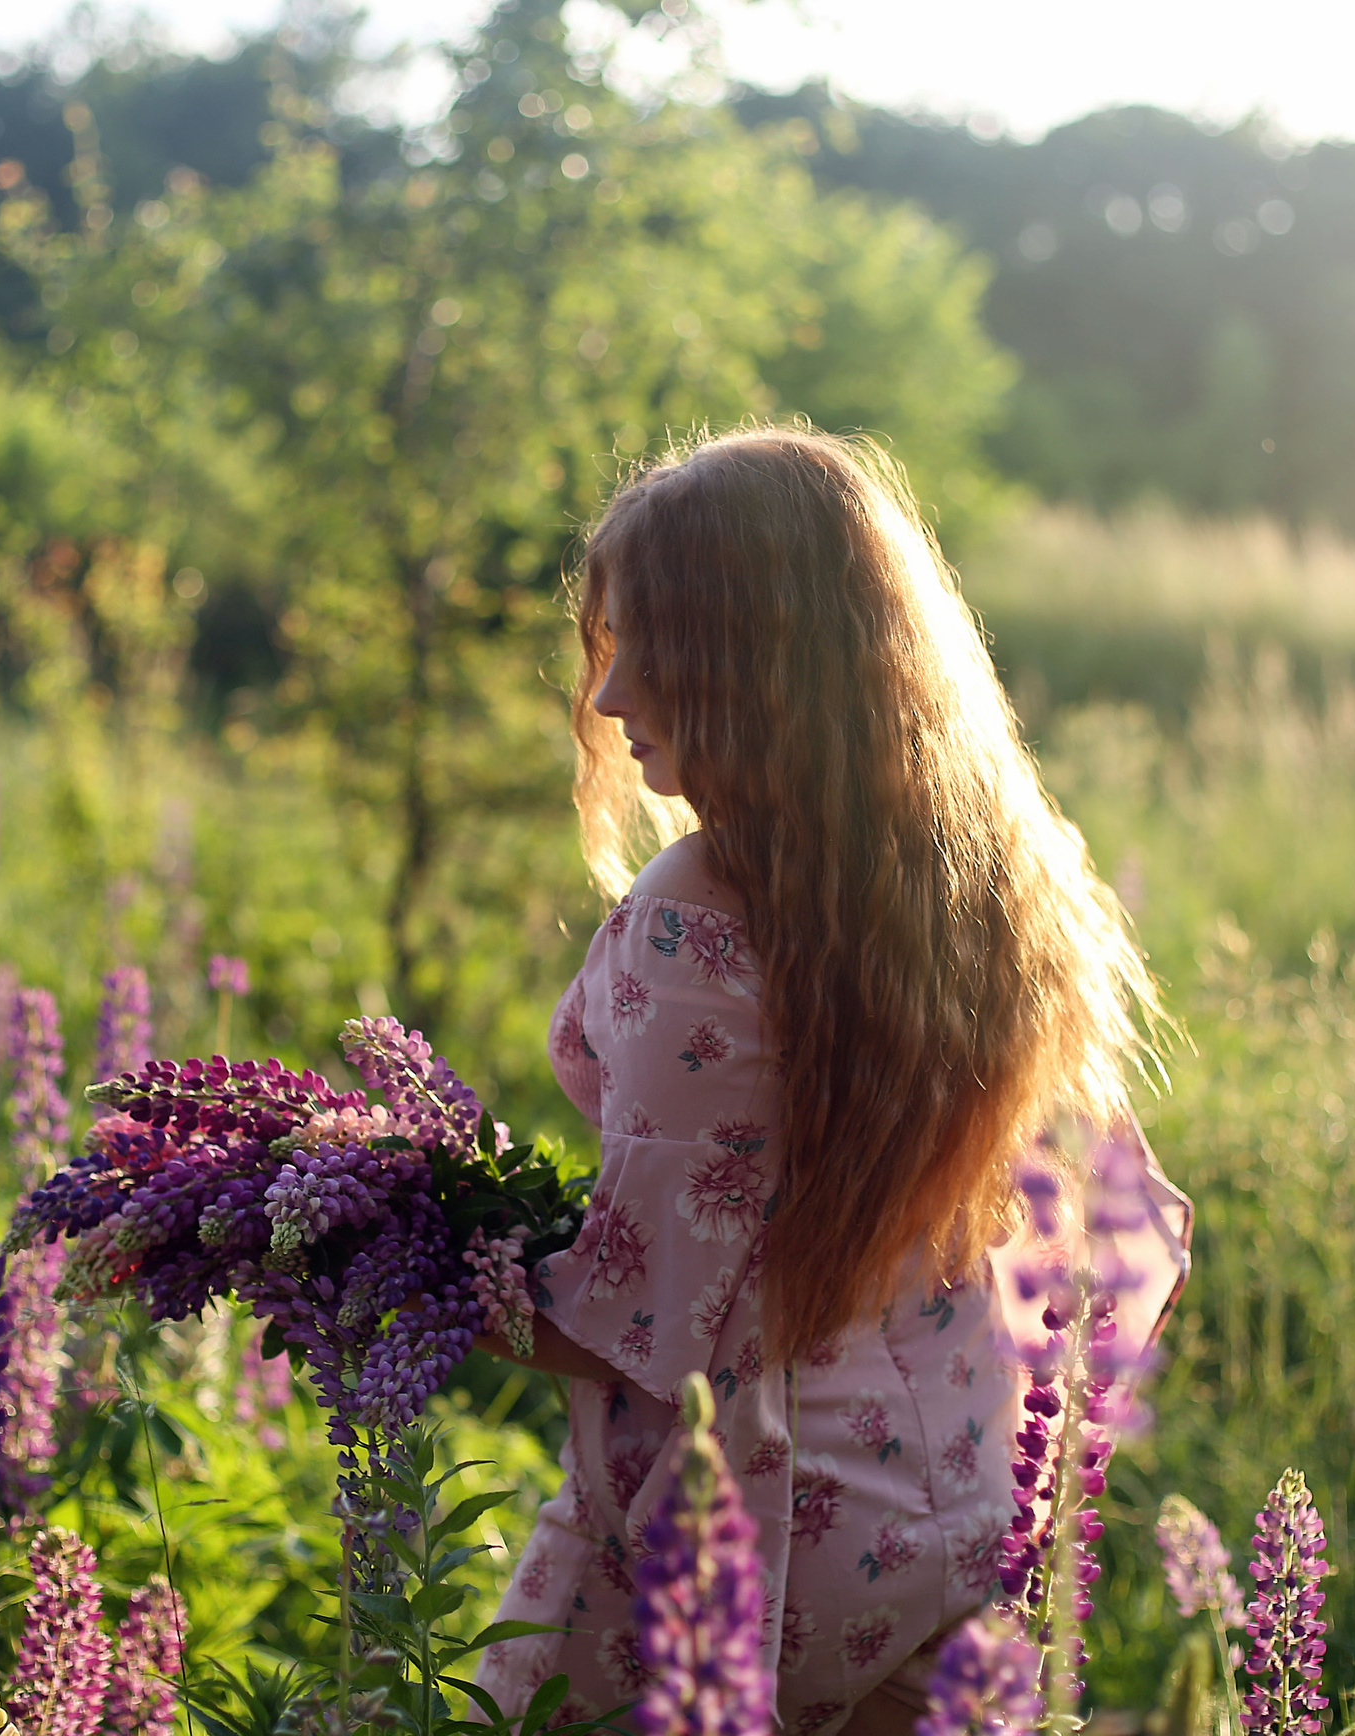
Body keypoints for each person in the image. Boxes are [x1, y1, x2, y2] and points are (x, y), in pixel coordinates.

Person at [472, 426, 1191, 1736]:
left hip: (746, 1554)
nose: (615, 694)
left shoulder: (702, 906)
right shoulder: (988, 883)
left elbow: (645, 1319)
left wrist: (374, 1276)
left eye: (652, 648)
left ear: (757, 663)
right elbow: (1118, 1236)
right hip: (959, 1522)